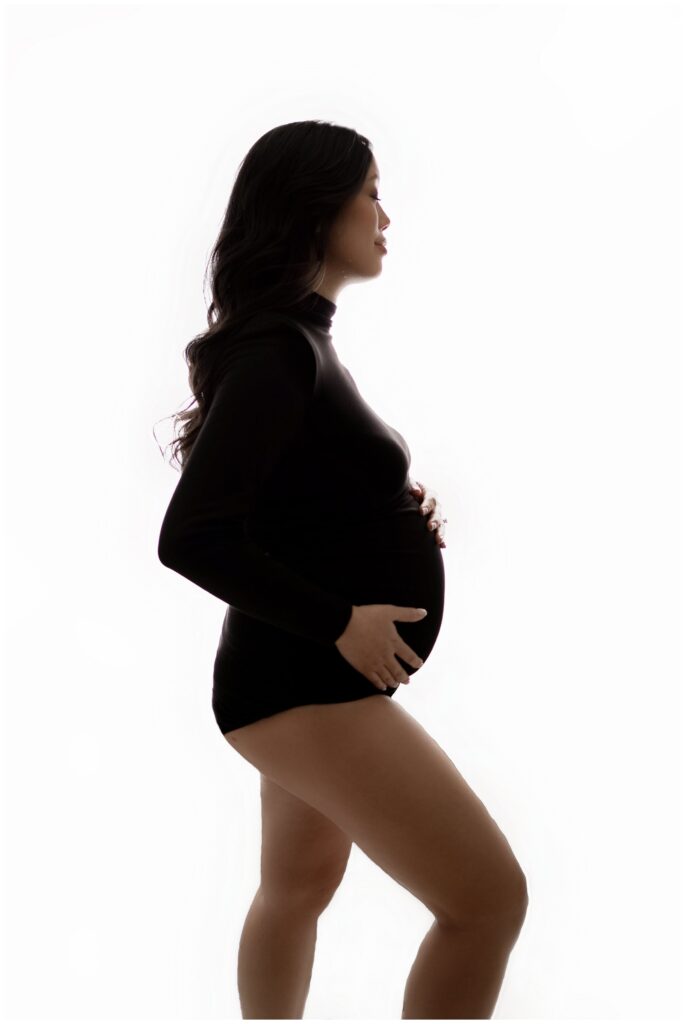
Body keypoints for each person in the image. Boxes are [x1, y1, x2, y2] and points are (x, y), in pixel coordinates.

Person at [157, 120, 528, 1019]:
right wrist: (340, 621)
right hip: (305, 682)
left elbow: (286, 501)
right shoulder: (281, 350)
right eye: (370, 192)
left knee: (297, 888)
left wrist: (390, 508)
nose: (385, 215)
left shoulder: (295, 342)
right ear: (316, 208)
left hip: (286, 682)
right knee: (486, 902)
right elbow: (191, 536)